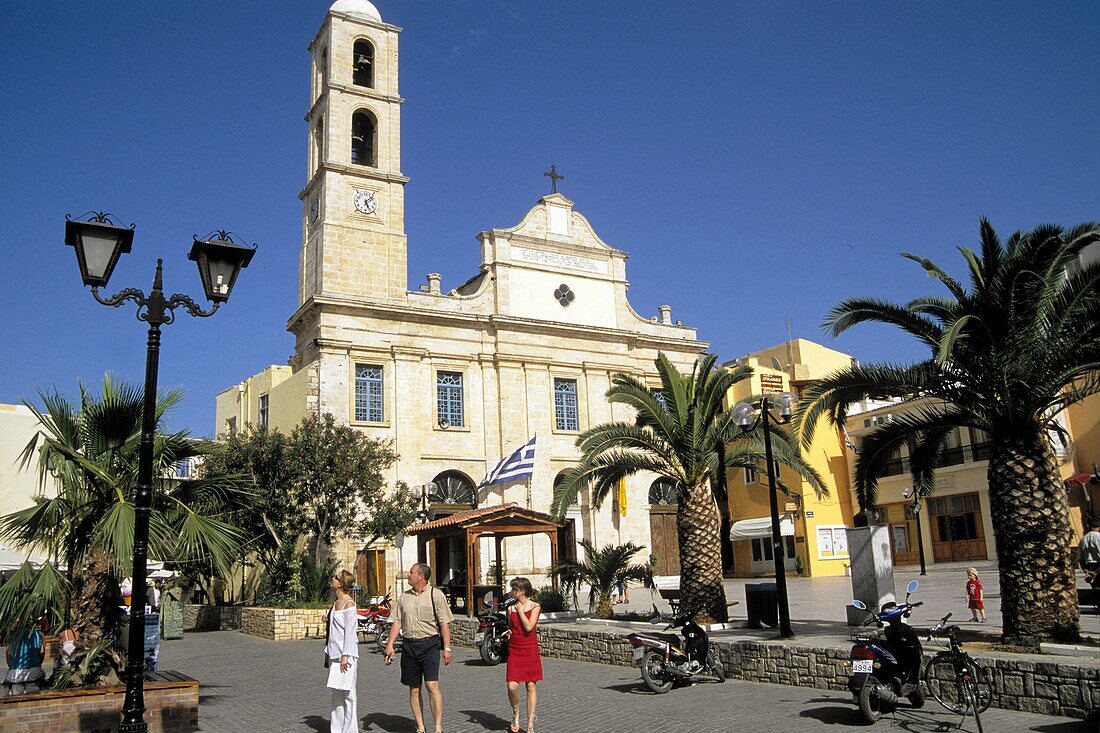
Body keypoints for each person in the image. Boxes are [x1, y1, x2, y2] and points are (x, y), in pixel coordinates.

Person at [385, 563, 454, 733]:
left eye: (411, 572)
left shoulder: (436, 595)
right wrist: (390, 644)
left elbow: (444, 623)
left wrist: (447, 648)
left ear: (421, 577)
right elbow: (397, 621)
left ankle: (438, 727)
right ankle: (420, 727)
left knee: (432, 685)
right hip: (409, 646)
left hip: (430, 644)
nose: (408, 575)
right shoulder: (404, 597)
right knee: (414, 688)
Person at [503, 577, 542, 733]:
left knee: (531, 685)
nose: (512, 592)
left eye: (515, 589)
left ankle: (530, 722)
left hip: (529, 648)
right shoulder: (510, 608)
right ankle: (516, 712)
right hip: (515, 648)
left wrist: (520, 611)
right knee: (512, 686)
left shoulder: (535, 606)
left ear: (523, 591)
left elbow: (529, 626)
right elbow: (514, 627)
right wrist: (509, 632)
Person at [326, 569, 359, 733]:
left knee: (348, 694)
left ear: (341, 583)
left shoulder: (349, 604)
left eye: (336, 578)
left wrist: (346, 655)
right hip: (334, 654)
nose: (333, 579)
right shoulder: (335, 603)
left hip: (347, 656)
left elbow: (350, 633)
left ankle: (350, 730)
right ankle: (336, 729)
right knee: (336, 695)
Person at [3, 620, 45, 695]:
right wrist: (37, 663)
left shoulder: (13, 636)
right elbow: (42, 654)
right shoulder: (38, 635)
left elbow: (8, 654)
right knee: (42, 674)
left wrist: (11, 666)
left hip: (15, 674)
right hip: (34, 672)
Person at [1079, 517, 1100, 589]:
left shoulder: (1083, 539)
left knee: (1095, 588)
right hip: (1098, 565)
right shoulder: (1099, 537)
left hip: (1089, 566)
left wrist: (1085, 570)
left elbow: (1081, 558)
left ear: (1088, 526)